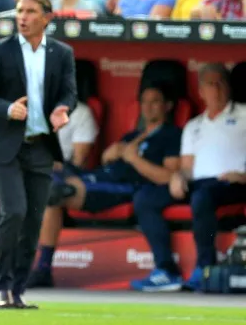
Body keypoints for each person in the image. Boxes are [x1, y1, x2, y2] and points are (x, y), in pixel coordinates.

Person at [0, 0, 76, 309]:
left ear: (47, 17)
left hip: (41, 147)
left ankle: (17, 290)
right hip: (6, 146)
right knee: (14, 211)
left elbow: (70, 93)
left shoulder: (62, 53)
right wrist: (8, 108)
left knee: (33, 221)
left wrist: (62, 108)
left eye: (31, 11)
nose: (23, 17)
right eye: (20, 11)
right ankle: (2, 285)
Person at [29, 83, 181, 287]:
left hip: (126, 187)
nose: (148, 107)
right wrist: (110, 154)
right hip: (101, 177)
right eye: (144, 101)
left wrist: (134, 159)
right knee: (47, 174)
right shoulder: (132, 136)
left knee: (55, 192)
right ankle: (43, 269)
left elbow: (167, 176)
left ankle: (43, 268)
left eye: (155, 101)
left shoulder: (171, 135)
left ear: (168, 105)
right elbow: (106, 160)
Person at [131, 65, 246, 292]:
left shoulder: (244, 114)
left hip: (233, 183)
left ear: (228, 86)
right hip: (199, 183)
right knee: (145, 198)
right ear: (201, 91)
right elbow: (186, 167)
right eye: (209, 83)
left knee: (202, 196)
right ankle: (165, 270)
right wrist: (177, 177)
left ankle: (204, 267)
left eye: (220, 82)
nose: (215, 88)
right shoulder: (193, 126)